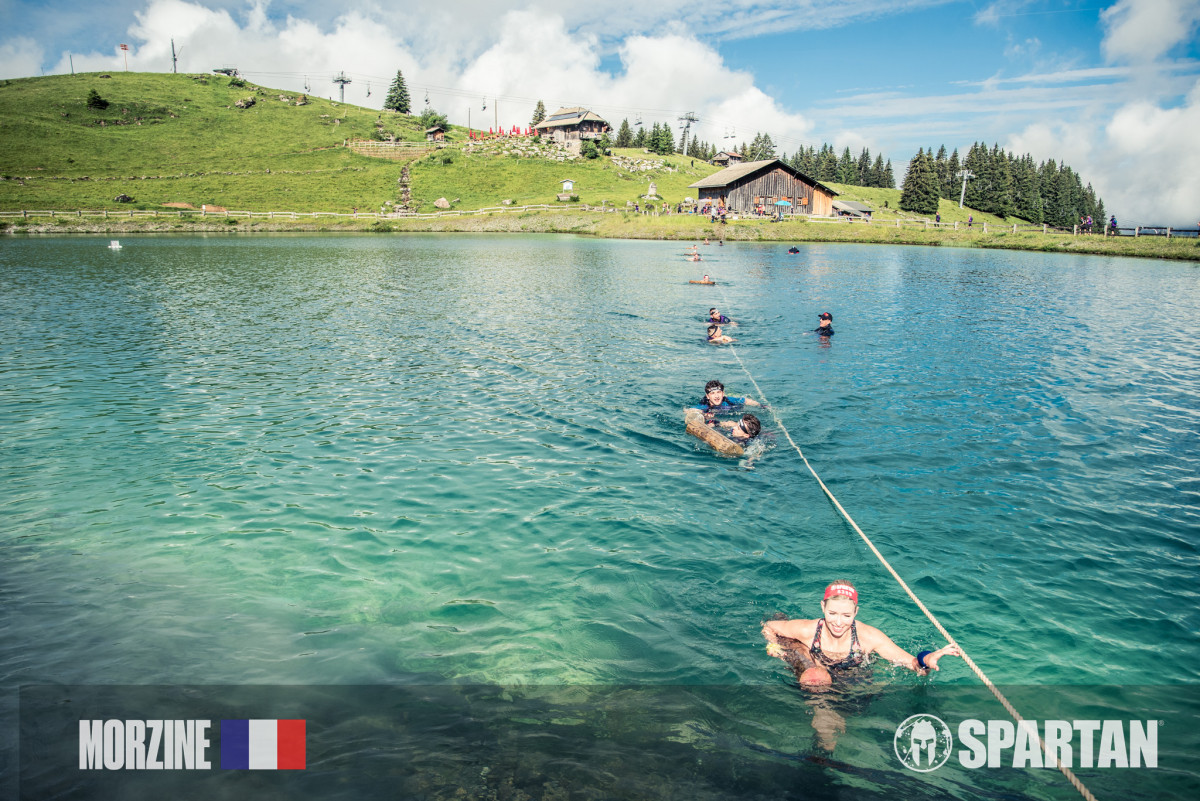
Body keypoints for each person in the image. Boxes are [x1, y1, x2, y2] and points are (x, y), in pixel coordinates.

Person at [762, 580, 962, 680]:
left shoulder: (869, 637)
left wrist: (925, 660)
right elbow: (770, 626)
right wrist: (772, 645)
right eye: (832, 614)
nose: (838, 622)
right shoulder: (808, 629)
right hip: (818, 676)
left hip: (855, 681)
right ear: (822, 608)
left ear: (856, 612)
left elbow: (911, 664)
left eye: (846, 616)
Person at [692, 380, 761, 416]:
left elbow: (746, 400)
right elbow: (687, 410)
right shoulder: (704, 405)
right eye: (712, 393)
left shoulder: (728, 400)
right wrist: (703, 414)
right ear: (708, 396)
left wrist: (760, 405)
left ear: (723, 394)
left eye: (718, 392)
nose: (716, 396)